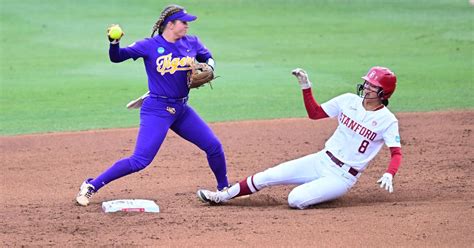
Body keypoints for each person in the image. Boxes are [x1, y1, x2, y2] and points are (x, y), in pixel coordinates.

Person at [76, 4, 229, 206]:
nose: (187, 26)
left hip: (181, 109)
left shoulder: (192, 42)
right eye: (183, 22)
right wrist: (114, 42)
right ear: (170, 25)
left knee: (214, 146)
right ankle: (91, 186)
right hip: (157, 109)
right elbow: (117, 57)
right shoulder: (149, 46)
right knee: (140, 160)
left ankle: (224, 189)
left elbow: (207, 57)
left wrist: (210, 65)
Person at [197, 66, 403, 209]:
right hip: (321, 159)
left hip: (342, 177)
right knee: (268, 175)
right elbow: (315, 113)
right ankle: (222, 196)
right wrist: (306, 87)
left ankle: (322, 192)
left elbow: (396, 153)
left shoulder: (387, 120)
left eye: (372, 85)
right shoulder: (348, 100)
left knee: (295, 199)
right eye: (366, 83)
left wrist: (389, 173)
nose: (366, 87)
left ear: (384, 92)